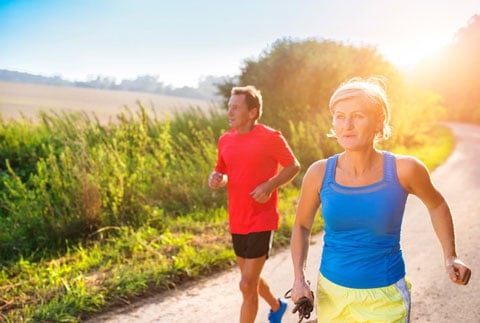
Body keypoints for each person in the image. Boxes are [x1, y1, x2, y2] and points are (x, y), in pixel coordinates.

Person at [290, 76, 471, 322]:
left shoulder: (404, 169)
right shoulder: (319, 173)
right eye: (340, 116)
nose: (347, 125)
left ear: (378, 122)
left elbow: (436, 204)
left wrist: (450, 255)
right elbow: (301, 225)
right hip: (332, 294)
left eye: (358, 116)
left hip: (385, 296)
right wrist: (299, 279)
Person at [209, 85, 300, 323]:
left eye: (236, 108)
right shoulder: (225, 140)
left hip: (262, 217)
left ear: (252, 112)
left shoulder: (270, 137)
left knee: (246, 283)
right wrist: (217, 178)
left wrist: (270, 185)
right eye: (229, 107)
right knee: (250, 280)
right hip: (237, 219)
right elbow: (223, 171)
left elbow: (293, 166)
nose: (230, 112)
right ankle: (277, 306)